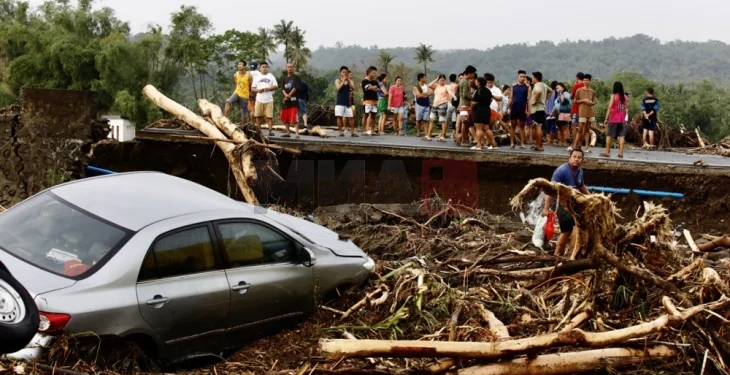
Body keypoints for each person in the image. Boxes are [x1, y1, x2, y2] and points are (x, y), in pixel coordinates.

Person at [542, 149, 589, 257]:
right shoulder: (561, 171)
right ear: (569, 158)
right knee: (577, 226)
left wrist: (591, 197)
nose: (576, 159)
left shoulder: (579, 171)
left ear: (582, 160)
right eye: (574, 157)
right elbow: (550, 190)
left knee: (566, 231)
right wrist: (546, 208)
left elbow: (581, 186)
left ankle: (558, 254)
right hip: (561, 204)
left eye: (579, 157)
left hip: (573, 203)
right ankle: (571, 254)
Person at [602, 81, 629, 158]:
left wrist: (606, 118)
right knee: (621, 136)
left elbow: (610, 107)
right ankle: (621, 153)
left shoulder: (614, 96)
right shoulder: (625, 97)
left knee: (609, 135)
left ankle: (607, 152)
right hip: (622, 119)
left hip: (614, 118)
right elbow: (626, 107)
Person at [251, 62, 278, 136]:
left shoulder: (271, 77)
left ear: (268, 68)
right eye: (263, 67)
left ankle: (270, 130)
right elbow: (252, 88)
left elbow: (276, 86)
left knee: (269, 116)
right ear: (260, 68)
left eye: (266, 67)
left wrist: (269, 89)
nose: (264, 68)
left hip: (269, 99)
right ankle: (258, 130)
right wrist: (258, 90)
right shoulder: (257, 78)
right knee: (258, 116)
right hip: (259, 99)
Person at [470, 76, 497, 150]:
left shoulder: (478, 91)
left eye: (476, 81)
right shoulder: (488, 91)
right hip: (487, 110)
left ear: (478, 83)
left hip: (479, 111)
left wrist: (471, 108)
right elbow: (491, 99)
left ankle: (479, 145)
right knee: (486, 128)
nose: (475, 82)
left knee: (479, 128)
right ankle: (493, 143)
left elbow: (474, 102)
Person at [425, 74, 454, 141]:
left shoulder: (447, 86)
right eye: (440, 80)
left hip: (443, 104)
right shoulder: (437, 86)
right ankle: (428, 135)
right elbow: (429, 85)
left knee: (442, 121)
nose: (442, 82)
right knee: (431, 120)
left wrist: (453, 97)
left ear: (445, 80)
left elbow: (450, 92)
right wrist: (436, 79)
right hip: (435, 104)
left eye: (443, 80)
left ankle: (443, 136)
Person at [573, 74, 596, 152]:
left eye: (587, 80)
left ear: (590, 81)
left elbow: (594, 101)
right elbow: (575, 101)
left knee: (587, 130)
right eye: (584, 80)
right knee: (580, 130)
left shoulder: (592, 91)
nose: (585, 82)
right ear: (582, 81)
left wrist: (591, 103)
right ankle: (575, 146)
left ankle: (587, 147)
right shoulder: (579, 90)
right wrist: (584, 100)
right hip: (582, 112)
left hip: (590, 112)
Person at [528, 71, 551, 151]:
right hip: (542, 108)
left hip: (537, 109)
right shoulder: (544, 85)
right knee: (537, 126)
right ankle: (537, 144)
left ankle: (540, 145)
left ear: (535, 78)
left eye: (532, 77)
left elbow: (539, 92)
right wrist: (545, 99)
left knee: (538, 127)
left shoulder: (537, 85)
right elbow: (550, 91)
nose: (531, 79)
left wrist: (534, 100)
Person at [223, 60, 251, 125]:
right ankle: (223, 117)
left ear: (244, 66)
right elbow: (236, 83)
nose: (239, 66)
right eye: (238, 64)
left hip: (244, 95)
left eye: (241, 64)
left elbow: (250, 85)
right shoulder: (236, 74)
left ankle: (243, 127)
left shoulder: (249, 75)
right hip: (237, 92)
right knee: (228, 102)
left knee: (243, 112)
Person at [507, 70, 529, 148]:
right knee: (513, 126)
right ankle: (512, 142)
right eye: (521, 76)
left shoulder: (527, 87)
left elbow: (529, 99)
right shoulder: (514, 86)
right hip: (514, 107)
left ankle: (522, 143)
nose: (522, 78)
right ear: (518, 77)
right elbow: (511, 98)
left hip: (522, 108)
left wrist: (528, 110)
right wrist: (506, 108)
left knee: (522, 126)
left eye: (524, 77)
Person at [279, 63, 301, 138]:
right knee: (285, 118)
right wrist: (286, 95)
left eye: (291, 67)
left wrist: (289, 95)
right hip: (286, 101)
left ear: (293, 68)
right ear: (286, 68)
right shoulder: (284, 78)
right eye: (288, 67)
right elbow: (282, 89)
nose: (290, 68)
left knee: (295, 118)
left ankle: (297, 133)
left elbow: (295, 87)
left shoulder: (296, 77)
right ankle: (288, 132)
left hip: (294, 101)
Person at [458, 66, 477, 146]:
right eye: (472, 74)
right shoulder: (465, 82)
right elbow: (465, 94)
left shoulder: (463, 81)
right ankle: (463, 141)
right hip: (464, 104)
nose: (473, 75)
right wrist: (473, 98)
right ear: (468, 73)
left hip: (463, 104)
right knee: (464, 123)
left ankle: (463, 139)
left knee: (465, 123)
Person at [335, 66, 357, 136]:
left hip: (347, 102)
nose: (344, 73)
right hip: (339, 102)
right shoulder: (338, 80)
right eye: (343, 72)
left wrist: (348, 81)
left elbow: (353, 88)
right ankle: (340, 131)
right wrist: (343, 81)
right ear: (340, 73)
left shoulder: (350, 81)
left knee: (351, 117)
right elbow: (338, 88)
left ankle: (352, 132)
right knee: (339, 117)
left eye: (346, 72)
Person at [568, 72, 585, 151]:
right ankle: (580, 144)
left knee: (574, 126)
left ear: (577, 78)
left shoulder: (576, 86)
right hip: (584, 110)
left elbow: (571, 96)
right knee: (582, 128)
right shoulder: (586, 86)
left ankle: (574, 144)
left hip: (576, 109)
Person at [361, 66, 380, 136]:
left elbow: (378, 89)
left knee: (373, 116)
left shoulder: (375, 81)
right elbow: (367, 88)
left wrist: (372, 88)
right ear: (369, 73)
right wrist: (372, 87)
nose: (375, 75)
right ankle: (364, 130)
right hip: (367, 100)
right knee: (366, 115)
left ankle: (372, 130)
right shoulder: (364, 81)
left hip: (374, 100)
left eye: (375, 73)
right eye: (373, 73)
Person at [413, 73, 432, 138]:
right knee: (418, 119)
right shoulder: (416, 86)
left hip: (426, 104)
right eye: (424, 77)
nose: (425, 79)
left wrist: (423, 93)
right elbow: (419, 95)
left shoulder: (426, 86)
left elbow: (431, 92)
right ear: (421, 78)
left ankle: (426, 133)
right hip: (419, 104)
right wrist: (426, 94)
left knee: (425, 120)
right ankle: (418, 132)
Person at [555, 83, 572, 148]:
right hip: (558, 113)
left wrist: (561, 93)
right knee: (559, 128)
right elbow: (556, 104)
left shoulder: (566, 94)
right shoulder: (559, 95)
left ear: (563, 88)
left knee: (565, 127)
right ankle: (561, 141)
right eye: (556, 88)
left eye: (558, 88)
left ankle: (566, 142)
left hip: (565, 113)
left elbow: (563, 101)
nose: (557, 89)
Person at [546, 81, 559, 145]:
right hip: (554, 112)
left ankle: (548, 140)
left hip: (547, 112)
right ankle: (552, 140)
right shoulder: (557, 94)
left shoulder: (548, 93)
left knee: (548, 127)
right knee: (553, 127)